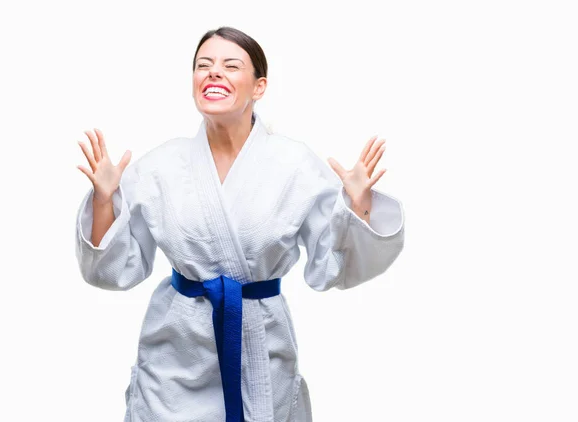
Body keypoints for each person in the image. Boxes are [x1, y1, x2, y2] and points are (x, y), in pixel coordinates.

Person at [75, 26, 405, 422]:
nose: (213, 73)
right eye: (203, 65)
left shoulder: (294, 164)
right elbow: (114, 269)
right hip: (176, 351)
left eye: (231, 65)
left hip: (261, 343)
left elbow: (330, 266)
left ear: (259, 86)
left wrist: (358, 205)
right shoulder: (161, 166)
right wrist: (104, 199)